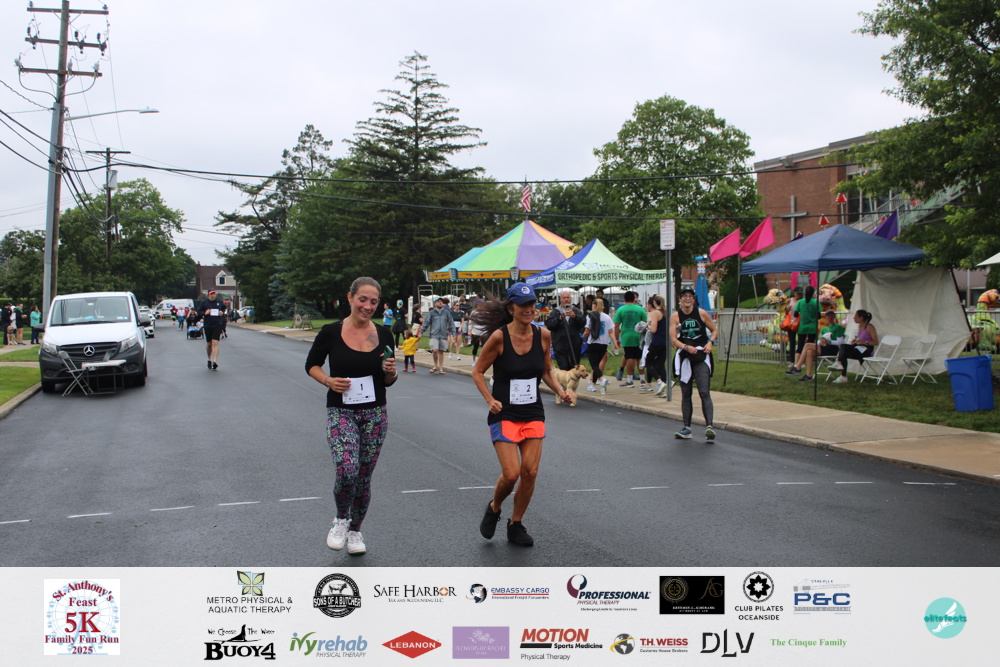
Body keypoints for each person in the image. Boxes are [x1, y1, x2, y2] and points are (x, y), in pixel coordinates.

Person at [472, 282, 570, 547]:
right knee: (511, 473)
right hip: (504, 412)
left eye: (532, 304)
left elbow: (546, 371)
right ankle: (494, 506)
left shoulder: (543, 335)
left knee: (530, 471)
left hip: (532, 411)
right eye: (523, 304)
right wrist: (490, 399)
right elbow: (478, 372)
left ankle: (515, 524)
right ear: (511, 308)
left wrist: (561, 391)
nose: (529, 309)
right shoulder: (499, 337)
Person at [305, 276, 397, 555]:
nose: (368, 306)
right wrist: (328, 380)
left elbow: (388, 380)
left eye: (374, 301)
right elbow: (312, 365)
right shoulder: (331, 332)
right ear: (350, 298)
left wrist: (391, 372)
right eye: (362, 299)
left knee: (364, 476)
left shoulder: (385, 335)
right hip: (341, 411)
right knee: (347, 470)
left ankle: (356, 531)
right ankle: (341, 519)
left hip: (375, 414)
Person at [669, 286, 719, 441]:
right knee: (686, 393)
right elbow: (673, 339)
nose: (687, 298)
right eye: (684, 296)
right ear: (680, 299)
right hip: (685, 356)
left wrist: (710, 342)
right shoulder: (675, 316)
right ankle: (687, 428)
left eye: (690, 296)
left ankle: (709, 426)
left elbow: (715, 330)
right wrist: (685, 347)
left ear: (694, 299)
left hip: (701, 355)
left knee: (704, 392)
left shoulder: (701, 313)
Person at [831, 310, 879, 383]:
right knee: (843, 349)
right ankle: (843, 375)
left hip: (866, 350)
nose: (854, 318)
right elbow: (862, 339)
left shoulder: (870, 327)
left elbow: (876, 342)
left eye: (856, 316)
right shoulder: (859, 326)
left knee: (844, 349)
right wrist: (856, 341)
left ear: (861, 318)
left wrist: (864, 342)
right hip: (859, 348)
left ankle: (839, 364)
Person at [582, 297, 618, 394]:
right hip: (603, 344)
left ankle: (601, 379)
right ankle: (593, 384)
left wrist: (582, 338)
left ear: (594, 305)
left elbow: (587, 330)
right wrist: (615, 343)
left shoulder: (590, 316)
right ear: (601, 306)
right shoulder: (607, 317)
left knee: (594, 365)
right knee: (596, 365)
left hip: (593, 343)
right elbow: (611, 332)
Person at [785, 285, 820, 382]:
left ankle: (796, 365)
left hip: (802, 327)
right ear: (813, 293)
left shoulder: (800, 302)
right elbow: (819, 315)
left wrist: (803, 313)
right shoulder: (815, 302)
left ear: (805, 293)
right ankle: (807, 368)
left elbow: (796, 314)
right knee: (810, 348)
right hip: (812, 327)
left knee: (800, 346)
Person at [544, 290, 585, 371]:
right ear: (560, 299)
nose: (566, 299)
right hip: (560, 344)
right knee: (564, 367)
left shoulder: (576, 311)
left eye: (568, 297)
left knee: (574, 369)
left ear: (571, 299)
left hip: (574, 344)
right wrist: (560, 318)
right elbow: (550, 325)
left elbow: (583, 323)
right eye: (564, 298)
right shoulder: (555, 312)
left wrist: (575, 317)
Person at [613, 291, 647, 387]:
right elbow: (645, 323)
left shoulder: (621, 310)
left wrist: (616, 339)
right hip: (639, 336)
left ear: (624, 299)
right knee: (639, 357)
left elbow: (616, 325)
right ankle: (642, 378)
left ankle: (629, 379)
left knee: (629, 357)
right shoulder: (640, 309)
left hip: (626, 336)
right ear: (634, 299)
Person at [799, 310, 845, 375]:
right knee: (809, 352)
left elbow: (841, 342)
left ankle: (797, 366)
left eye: (831, 316)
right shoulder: (823, 330)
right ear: (825, 318)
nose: (830, 317)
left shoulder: (838, 327)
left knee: (807, 345)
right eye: (828, 316)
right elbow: (819, 341)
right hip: (822, 347)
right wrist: (821, 342)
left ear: (834, 317)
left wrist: (829, 341)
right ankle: (808, 374)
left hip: (833, 348)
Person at [644, 295, 669, 396]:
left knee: (648, 362)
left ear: (654, 302)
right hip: (665, 342)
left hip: (656, 342)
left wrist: (647, 325)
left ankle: (659, 381)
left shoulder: (654, 313)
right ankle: (666, 386)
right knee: (660, 364)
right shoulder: (665, 313)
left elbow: (653, 329)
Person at [198, 289, 227, 370]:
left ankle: (215, 361)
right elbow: (199, 312)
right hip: (208, 325)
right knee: (209, 344)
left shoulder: (219, 301)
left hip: (217, 324)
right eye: (211, 294)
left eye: (214, 293)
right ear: (208, 295)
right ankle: (209, 359)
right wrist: (205, 313)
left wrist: (222, 312)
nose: (213, 295)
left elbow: (223, 308)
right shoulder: (204, 302)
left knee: (215, 342)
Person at [424, 297, 453, 374]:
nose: (440, 303)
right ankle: (435, 365)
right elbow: (426, 323)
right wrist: (421, 332)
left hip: (443, 334)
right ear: (435, 303)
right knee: (435, 350)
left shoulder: (446, 313)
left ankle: (441, 368)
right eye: (438, 301)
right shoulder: (432, 313)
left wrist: (453, 332)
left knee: (441, 351)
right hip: (434, 334)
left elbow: (451, 322)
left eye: (441, 302)